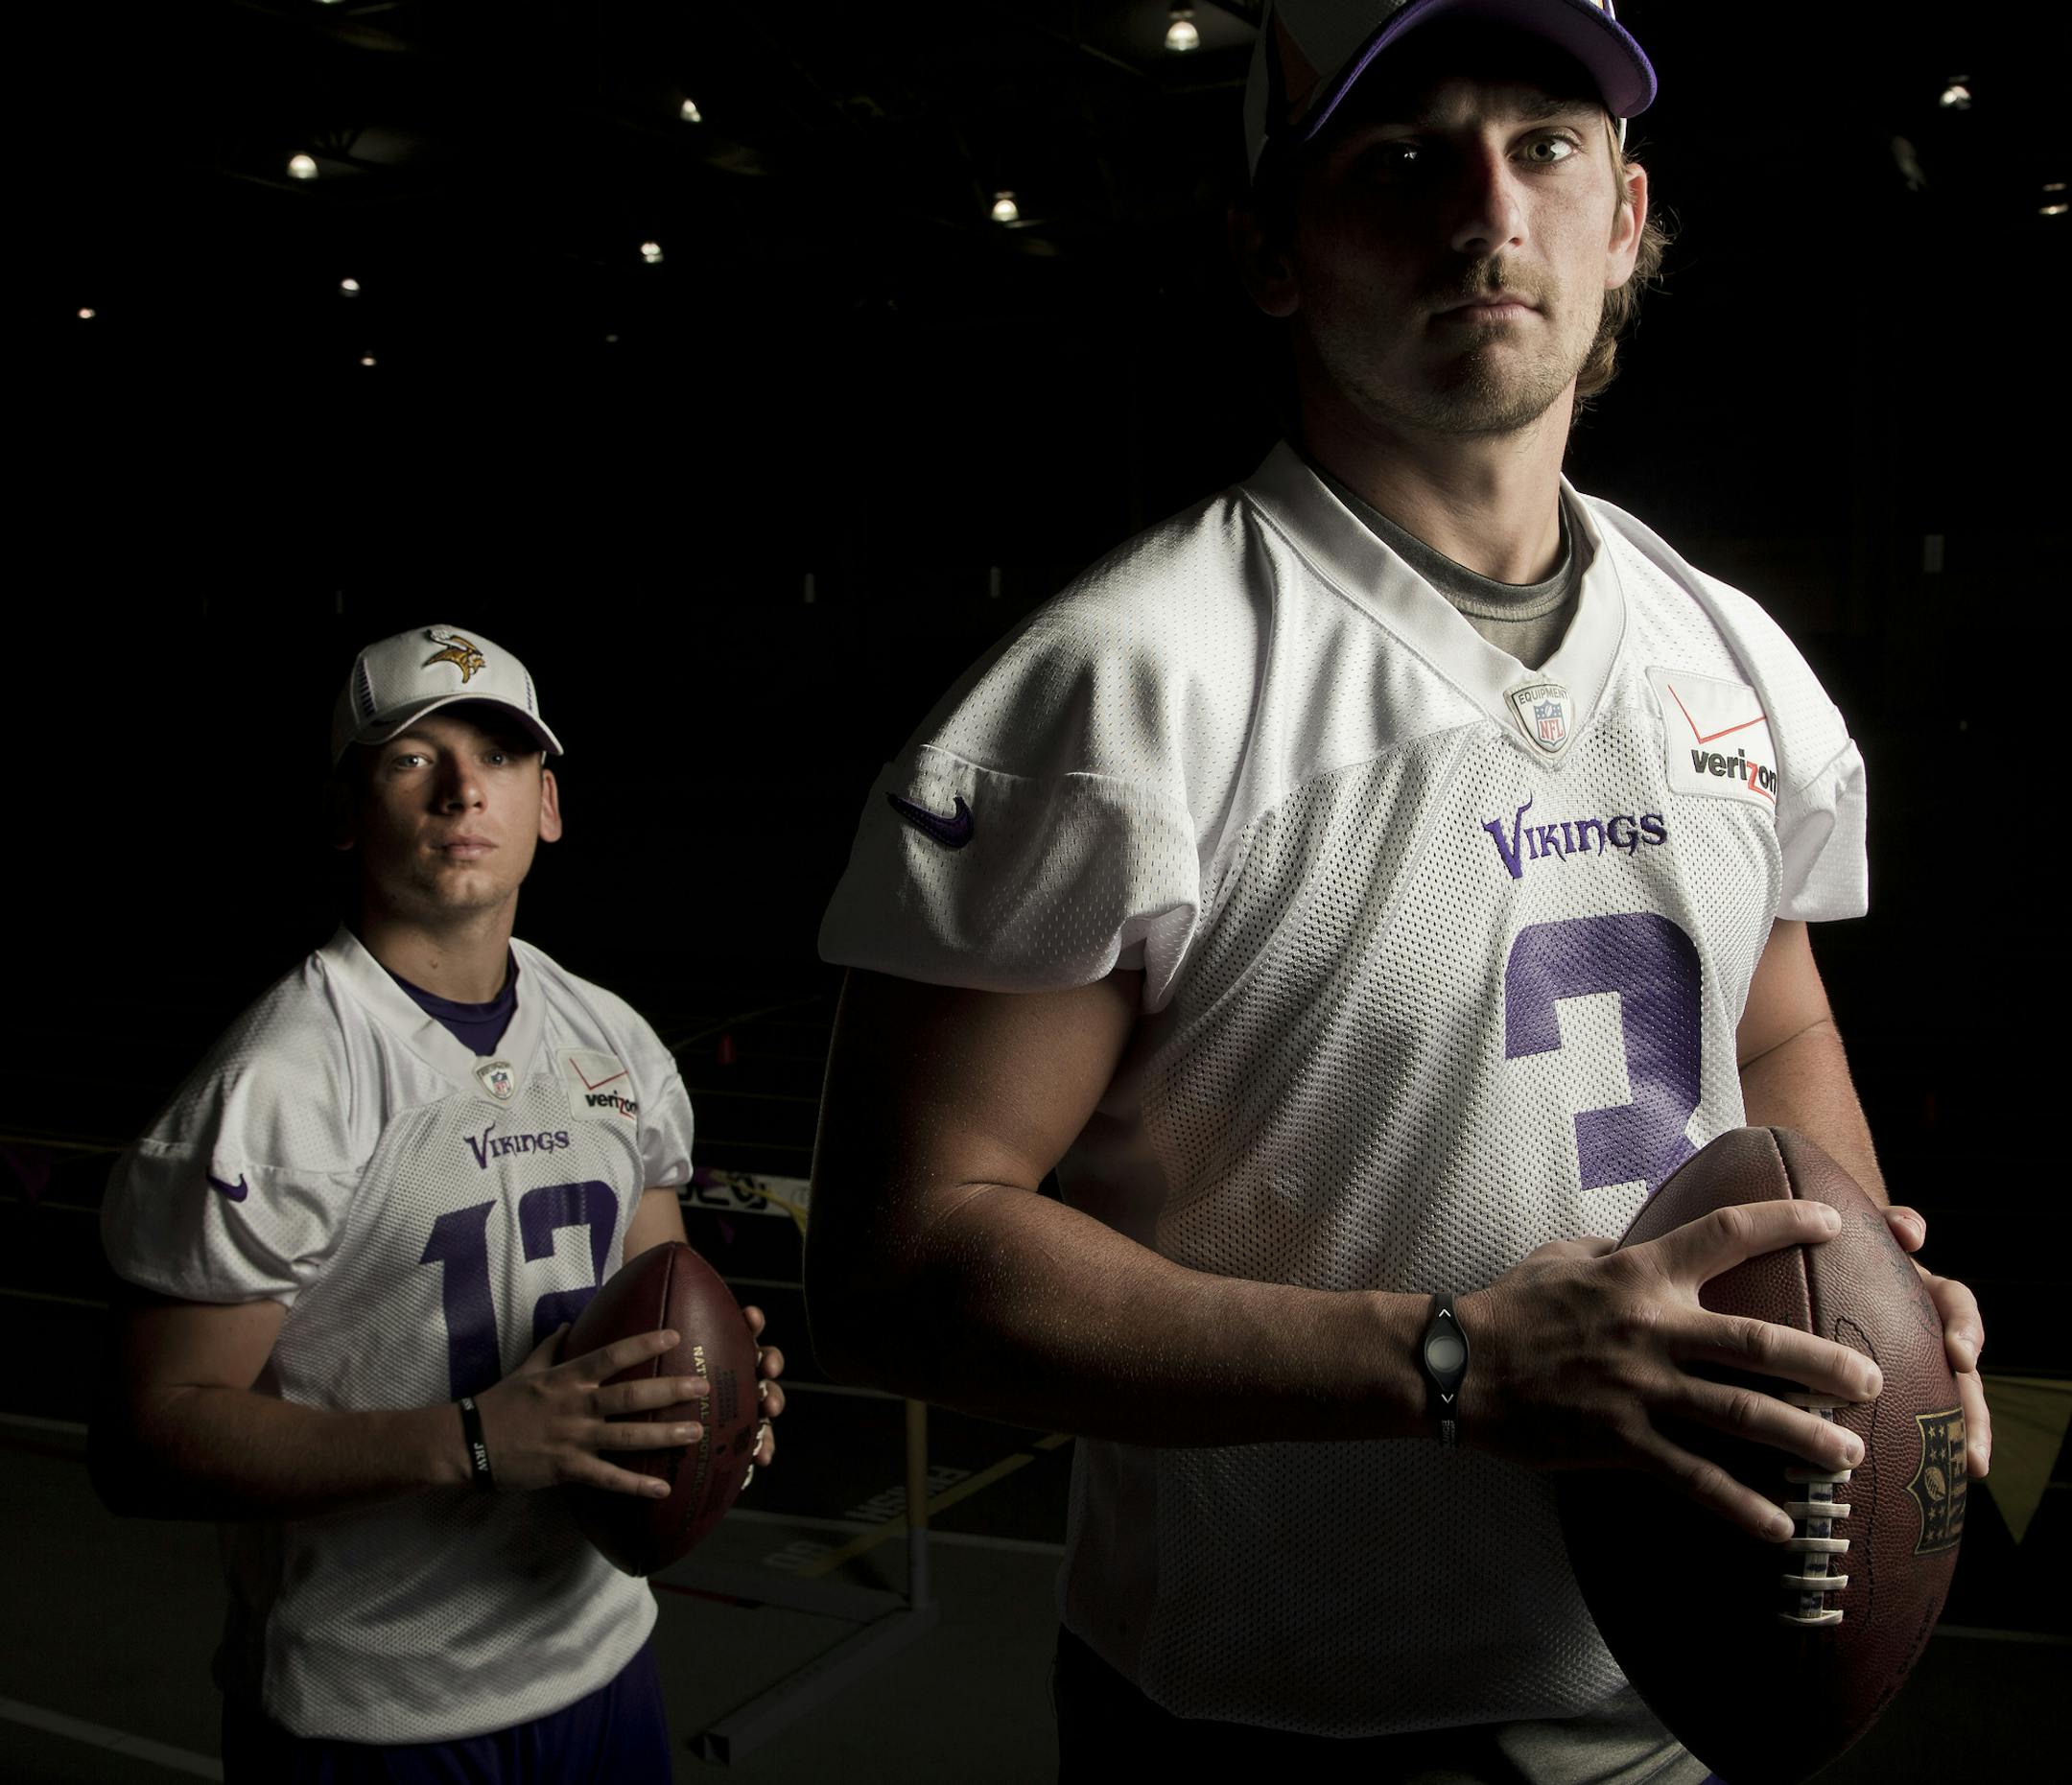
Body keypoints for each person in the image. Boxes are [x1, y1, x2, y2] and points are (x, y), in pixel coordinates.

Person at [805, 1, 1989, 1776]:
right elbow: (899, 1257)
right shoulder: (1125, 687)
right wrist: (1449, 1363)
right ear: (1271, 253)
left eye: (1546, 146)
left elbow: (1775, 1026)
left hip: (1684, 1685)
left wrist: (1863, 1299)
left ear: (1626, 219)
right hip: (1279, 1717)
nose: (1488, 213)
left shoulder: (1735, 655)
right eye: (1403, 158)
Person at [90, 622, 786, 1782]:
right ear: (344, 811)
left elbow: (658, 1300)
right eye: (414, 757)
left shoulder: (615, 1038)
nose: (465, 789)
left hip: (603, 1659)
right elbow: (147, 1439)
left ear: (547, 804)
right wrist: (470, 1439)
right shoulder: (281, 1082)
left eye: (500, 756)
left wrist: (711, 1400)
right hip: (374, 1707)